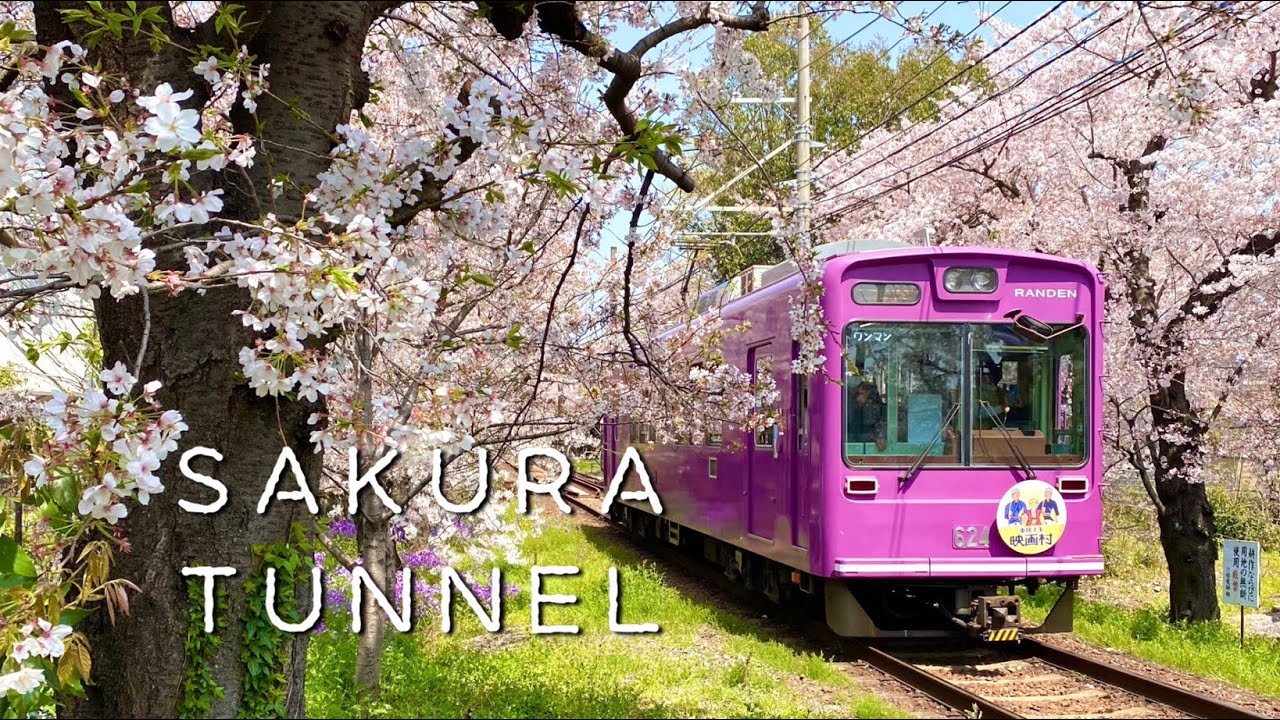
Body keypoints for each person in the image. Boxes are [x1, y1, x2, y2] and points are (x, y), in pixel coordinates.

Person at [846, 381, 887, 452]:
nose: (858, 399)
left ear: (868, 394)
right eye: (857, 394)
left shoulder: (872, 408)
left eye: (861, 394)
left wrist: (878, 436)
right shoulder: (854, 408)